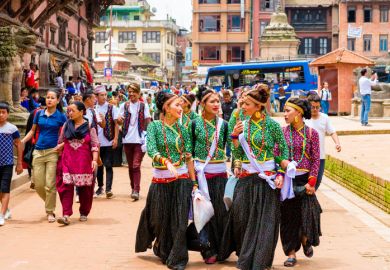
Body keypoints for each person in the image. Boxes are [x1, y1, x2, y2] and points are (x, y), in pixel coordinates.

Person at [220, 84, 289, 270]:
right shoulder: (243, 125)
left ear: (259, 106)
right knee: (241, 219)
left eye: (247, 104)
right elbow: (238, 152)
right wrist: (234, 137)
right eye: (242, 103)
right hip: (246, 178)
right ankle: (245, 256)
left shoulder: (273, 126)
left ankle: (261, 261)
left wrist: (281, 173)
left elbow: (283, 149)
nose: (242, 107)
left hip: (266, 180)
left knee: (266, 222)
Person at [135, 91, 196, 270]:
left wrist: (194, 183)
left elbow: (188, 157)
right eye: (177, 105)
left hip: (182, 179)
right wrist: (166, 162)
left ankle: (178, 259)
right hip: (161, 180)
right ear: (166, 108)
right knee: (159, 218)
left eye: (181, 105)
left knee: (179, 220)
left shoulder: (184, 128)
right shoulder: (154, 127)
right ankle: (162, 248)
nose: (181, 108)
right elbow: (152, 150)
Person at [280, 98, 322, 267]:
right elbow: (278, 154)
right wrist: (280, 172)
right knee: (288, 218)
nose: (285, 114)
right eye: (284, 111)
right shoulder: (282, 132)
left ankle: (305, 239)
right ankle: (291, 253)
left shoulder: (312, 134)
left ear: (298, 112)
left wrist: (311, 183)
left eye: (288, 111)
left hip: (305, 180)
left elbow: (316, 161)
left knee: (307, 215)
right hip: (287, 180)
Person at [190, 87, 229, 264]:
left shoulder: (224, 125)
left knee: (220, 212)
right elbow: (189, 152)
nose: (216, 104)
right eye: (211, 101)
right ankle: (207, 249)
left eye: (217, 101)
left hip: (220, 174)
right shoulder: (193, 124)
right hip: (201, 175)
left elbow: (231, 148)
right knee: (203, 212)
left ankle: (221, 247)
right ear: (202, 104)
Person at [21, 90, 67, 223]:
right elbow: (32, 130)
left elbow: (67, 134)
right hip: (38, 151)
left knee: (50, 185)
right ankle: (49, 201)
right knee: (38, 184)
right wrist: (23, 141)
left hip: (53, 152)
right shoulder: (39, 113)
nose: (49, 100)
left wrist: (62, 145)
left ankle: (50, 211)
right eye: (48, 97)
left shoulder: (61, 116)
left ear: (58, 100)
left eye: (53, 98)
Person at [56, 102, 99, 225]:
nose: (69, 113)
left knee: (85, 189)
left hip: (84, 162)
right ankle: (66, 215)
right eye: (68, 110)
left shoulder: (90, 126)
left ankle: (84, 212)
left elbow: (95, 145)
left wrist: (94, 160)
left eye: (72, 110)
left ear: (81, 112)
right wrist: (59, 149)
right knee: (65, 188)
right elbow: (61, 141)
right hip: (67, 161)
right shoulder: (66, 125)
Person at [119, 83, 151, 201]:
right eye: (130, 92)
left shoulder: (143, 106)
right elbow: (119, 121)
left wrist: (149, 136)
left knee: (136, 165)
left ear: (138, 93)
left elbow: (148, 120)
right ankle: (133, 188)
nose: (131, 94)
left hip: (140, 140)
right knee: (130, 166)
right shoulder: (124, 105)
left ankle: (136, 190)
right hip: (127, 140)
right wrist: (118, 121)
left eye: (134, 92)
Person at [306, 94, 341, 190]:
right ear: (309, 106)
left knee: (317, 182)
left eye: (317, 107)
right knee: (306, 183)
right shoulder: (304, 118)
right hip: (305, 156)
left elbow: (332, 131)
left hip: (320, 157)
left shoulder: (324, 118)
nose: (315, 109)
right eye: (313, 107)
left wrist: (337, 143)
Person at [0, 103, 23, 225]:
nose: (1, 114)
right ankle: (6, 209)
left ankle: (1, 215)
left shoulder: (12, 128)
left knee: (5, 189)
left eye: (3, 112)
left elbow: (19, 144)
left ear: (8, 114)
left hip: (7, 163)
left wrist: (19, 163)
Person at [95, 86, 119, 198]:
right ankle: (100, 187)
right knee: (99, 166)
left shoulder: (111, 108)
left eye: (105, 95)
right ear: (96, 96)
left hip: (108, 140)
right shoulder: (93, 109)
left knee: (108, 165)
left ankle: (109, 189)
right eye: (101, 95)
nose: (104, 97)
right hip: (97, 142)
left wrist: (115, 138)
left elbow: (116, 124)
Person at [221, 90, 237, 162]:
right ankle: (227, 156)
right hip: (226, 124)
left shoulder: (234, 104)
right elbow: (222, 114)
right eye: (224, 97)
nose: (226, 99)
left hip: (234, 125)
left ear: (230, 97)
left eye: (227, 97)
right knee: (227, 140)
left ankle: (235, 155)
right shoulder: (223, 104)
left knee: (233, 140)